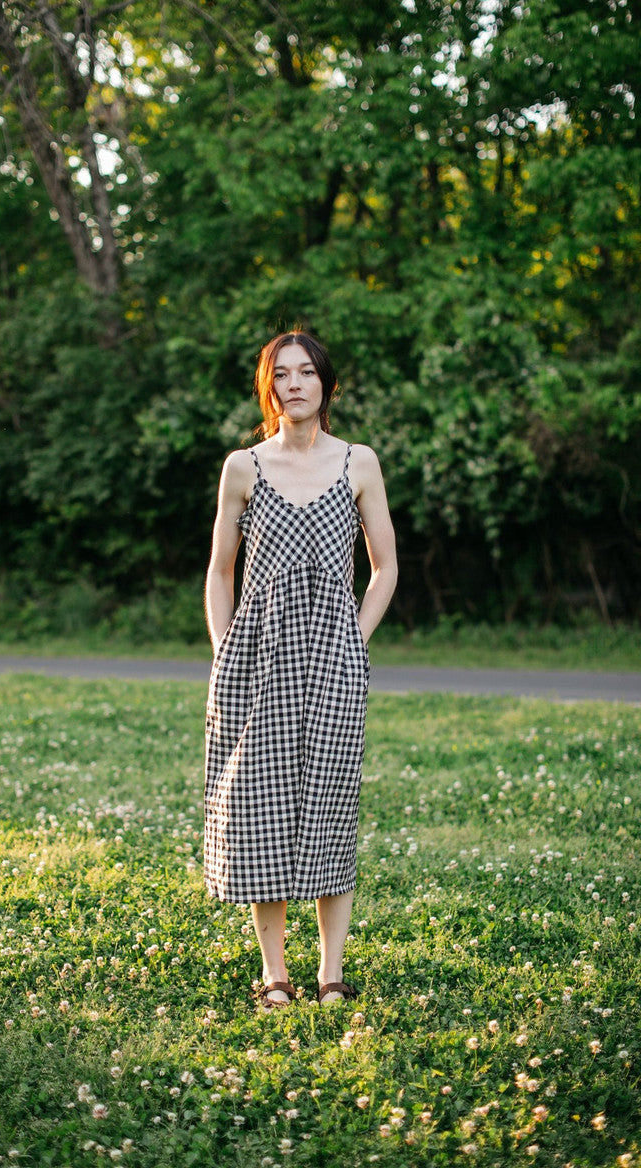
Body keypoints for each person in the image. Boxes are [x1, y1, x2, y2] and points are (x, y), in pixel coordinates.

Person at [203, 330, 398, 1008]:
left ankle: (330, 975)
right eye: (281, 374)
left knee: (328, 811)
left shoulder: (358, 463)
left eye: (307, 372)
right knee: (259, 812)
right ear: (269, 387)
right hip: (257, 665)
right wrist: (224, 649)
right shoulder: (243, 468)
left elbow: (385, 568)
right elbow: (220, 572)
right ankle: (275, 975)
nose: (295, 383)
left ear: (325, 384)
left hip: (334, 663)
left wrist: (355, 638)